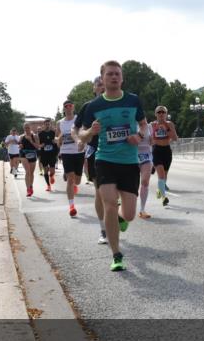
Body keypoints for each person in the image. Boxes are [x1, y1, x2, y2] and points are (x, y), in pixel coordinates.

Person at [77, 60, 150, 272]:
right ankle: (116, 254)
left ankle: (120, 219)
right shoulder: (94, 106)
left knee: (128, 214)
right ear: (103, 78)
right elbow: (81, 133)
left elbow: (144, 123)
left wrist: (139, 135)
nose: (114, 77)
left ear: (122, 77)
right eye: (110, 74)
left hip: (129, 162)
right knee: (109, 203)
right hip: (105, 160)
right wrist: (90, 131)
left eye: (117, 74)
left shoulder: (133, 100)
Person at [74, 75, 108, 243]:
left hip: (118, 151)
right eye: (98, 84)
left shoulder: (119, 103)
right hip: (96, 151)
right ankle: (103, 229)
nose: (102, 86)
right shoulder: (88, 107)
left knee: (118, 191)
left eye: (104, 83)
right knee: (99, 191)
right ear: (94, 88)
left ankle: (118, 215)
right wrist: (80, 139)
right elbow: (76, 128)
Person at [56, 101, 84, 218]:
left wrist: (80, 138)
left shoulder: (79, 119)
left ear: (73, 107)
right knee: (71, 178)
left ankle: (73, 183)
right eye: (66, 106)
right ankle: (71, 206)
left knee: (77, 181)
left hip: (78, 152)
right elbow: (57, 137)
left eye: (70, 106)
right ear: (64, 109)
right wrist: (59, 138)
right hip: (66, 152)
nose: (68, 108)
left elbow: (83, 132)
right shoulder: (60, 123)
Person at [150, 106, 178, 206]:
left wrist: (166, 129)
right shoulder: (152, 125)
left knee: (164, 176)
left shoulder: (169, 124)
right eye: (159, 112)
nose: (161, 114)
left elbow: (175, 138)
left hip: (167, 151)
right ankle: (163, 197)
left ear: (166, 114)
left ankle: (159, 189)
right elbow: (149, 140)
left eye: (163, 112)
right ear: (156, 114)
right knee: (161, 174)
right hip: (156, 150)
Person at [38, 119, 59, 192]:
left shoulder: (53, 133)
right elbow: (38, 145)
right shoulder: (40, 134)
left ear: (50, 124)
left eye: (48, 124)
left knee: (52, 171)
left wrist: (55, 142)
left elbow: (58, 143)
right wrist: (41, 145)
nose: (47, 125)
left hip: (52, 154)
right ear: (44, 125)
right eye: (46, 124)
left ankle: (52, 176)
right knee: (46, 170)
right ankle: (48, 186)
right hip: (44, 154)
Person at [19, 124, 40, 197]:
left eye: (28, 128)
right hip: (24, 155)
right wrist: (20, 146)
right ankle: (28, 189)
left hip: (32, 154)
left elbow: (38, 146)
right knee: (27, 172)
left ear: (30, 128)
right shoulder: (21, 137)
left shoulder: (34, 136)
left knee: (31, 173)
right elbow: (20, 146)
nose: (26, 129)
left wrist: (31, 140)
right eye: (25, 128)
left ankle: (31, 186)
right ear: (23, 128)